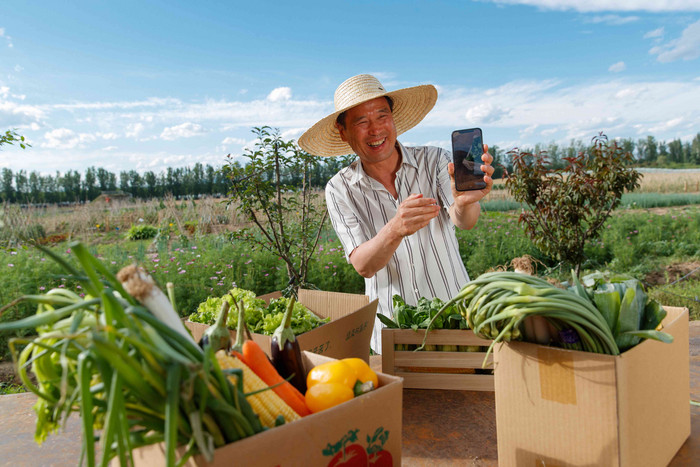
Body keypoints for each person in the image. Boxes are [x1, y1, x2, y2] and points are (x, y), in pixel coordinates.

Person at [298, 74, 494, 353]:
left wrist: (464, 203)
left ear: (394, 119)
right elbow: (363, 265)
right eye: (361, 122)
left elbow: (465, 222)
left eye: (382, 116)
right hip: (393, 334)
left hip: (457, 320)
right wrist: (395, 228)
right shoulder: (339, 188)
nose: (375, 129)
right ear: (343, 132)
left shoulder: (435, 160)